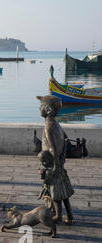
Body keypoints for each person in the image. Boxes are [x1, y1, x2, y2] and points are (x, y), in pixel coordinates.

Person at [37, 95, 75, 224]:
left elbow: (52, 147)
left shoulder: (48, 126)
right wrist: (62, 158)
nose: (39, 109)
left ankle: (57, 216)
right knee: (64, 194)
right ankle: (70, 216)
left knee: (56, 193)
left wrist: (56, 164)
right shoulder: (57, 124)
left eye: (41, 106)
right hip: (59, 162)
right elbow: (65, 140)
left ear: (47, 109)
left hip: (53, 164)